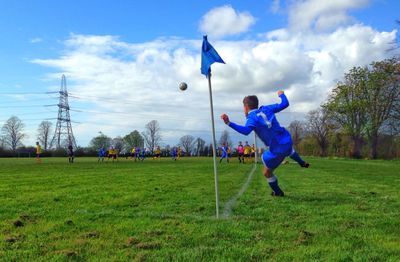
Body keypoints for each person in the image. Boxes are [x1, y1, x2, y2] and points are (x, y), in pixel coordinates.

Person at [221, 90, 309, 197]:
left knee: (267, 172)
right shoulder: (266, 108)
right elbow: (285, 104)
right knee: (289, 150)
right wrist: (281, 94)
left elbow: (245, 131)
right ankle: (301, 162)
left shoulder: (252, 118)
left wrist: (229, 123)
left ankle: (278, 192)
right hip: (286, 139)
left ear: (246, 107)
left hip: (276, 150)